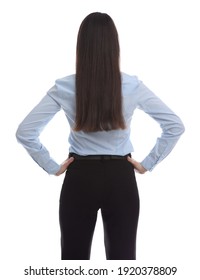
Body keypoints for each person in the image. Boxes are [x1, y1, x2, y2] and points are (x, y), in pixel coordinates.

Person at [16, 12, 185, 260]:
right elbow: (174, 125)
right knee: (123, 261)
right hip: (121, 178)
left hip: (80, 177)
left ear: (81, 46)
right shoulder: (132, 86)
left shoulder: (64, 87)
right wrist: (147, 163)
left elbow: (25, 131)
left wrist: (52, 166)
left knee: (73, 261)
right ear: (114, 46)